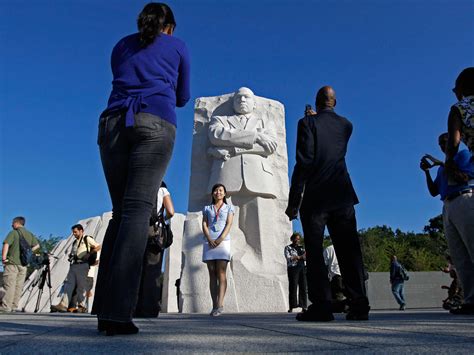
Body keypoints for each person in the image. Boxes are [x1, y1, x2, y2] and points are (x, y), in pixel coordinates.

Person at [91, 3, 190, 335]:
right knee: (137, 212)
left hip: (113, 123)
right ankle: (118, 314)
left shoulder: (122, 45)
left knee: (120, 213)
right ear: (170, 27)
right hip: (155, 121)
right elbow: (182, 96)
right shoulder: (176, 46)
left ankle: (104, 307)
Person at [286, 86, 370, 322]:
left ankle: (321, 305)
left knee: (314, 252)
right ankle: (359, 304)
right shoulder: (346, 125)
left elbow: (304, 162)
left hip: (316, 197)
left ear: (316, 101)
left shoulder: (306, 124)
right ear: (335, 102)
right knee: (349, 251)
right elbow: (330, 139)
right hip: (342, 195)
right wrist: (316, 121)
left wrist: (294, 201)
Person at [444, 67, 474, 315]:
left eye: (457, 87)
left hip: (466, 196)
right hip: (454, 200)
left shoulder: (461, 109)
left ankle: (471, 298)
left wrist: (449, 162)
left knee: (466, 253)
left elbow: (454, 142)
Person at [135, 181, 175, 318]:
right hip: (154, 231)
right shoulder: (162, 189)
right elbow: (171, 211)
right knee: (152, 270)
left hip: (136, 230)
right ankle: (149, 308)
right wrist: (161, 219)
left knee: (136, 269)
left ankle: (133, 306)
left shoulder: (140, 186)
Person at [202, 183, 235, 316]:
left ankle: (220, 304)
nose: (218, 192)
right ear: (212, 194)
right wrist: (209, 238)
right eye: (216, 190)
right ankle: (214, 305)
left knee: (221, 272)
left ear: (225, 193)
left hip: (223, 241)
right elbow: (204, 224)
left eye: (221, 190)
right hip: (209, 241)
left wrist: (220, 239)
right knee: (212, 273)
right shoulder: (207, 208)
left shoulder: (229, 208)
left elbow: (229, 223)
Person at [51, 224, 100, 313]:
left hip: (83, 265)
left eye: (75, 232)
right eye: (73, 232)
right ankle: (63, 305)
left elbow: (98, 246)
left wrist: (89, 254)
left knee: (81, 286)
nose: (74, 234)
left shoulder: (87, 238)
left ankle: (81, 306)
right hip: (75, 265)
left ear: (81, 231)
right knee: (69, 284)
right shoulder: (74, 242)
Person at [1, 217, 40, 313]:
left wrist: (4, 258)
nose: (11, 225)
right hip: (23, 264)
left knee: (9, 285)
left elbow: (6, 244)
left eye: (12, 223)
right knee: (18, 286)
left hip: (12, 263)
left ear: (17, 223)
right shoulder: (29, 234)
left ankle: (6, 307)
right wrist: (29, 252)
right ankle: (14, 306)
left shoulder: (13, 233)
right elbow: (37, 245)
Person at [284, 233, 307, 313]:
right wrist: (299, 257)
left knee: (303, 287)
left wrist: (298, 257)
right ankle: (292, 306)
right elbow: (289, 258)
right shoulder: (288, 248)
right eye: (296, 238)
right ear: (292, 239)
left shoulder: (302, 248)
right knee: (293, 287)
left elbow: (305, 257)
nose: (297, 240)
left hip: (302, 268)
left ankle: (303, 306)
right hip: (293, 269)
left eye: (298, 239)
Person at [323, 244, 347, 311]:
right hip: (346, 275)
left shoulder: (329, 249)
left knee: (337, 295)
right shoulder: (347, 248)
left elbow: (324, 263)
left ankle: (340, 307)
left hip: (335, 275)